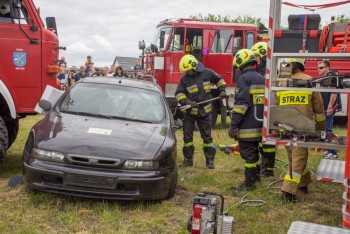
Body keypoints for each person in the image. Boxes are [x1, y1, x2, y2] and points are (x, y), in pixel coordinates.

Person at [276, 58, 325, 203]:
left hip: (284, 128)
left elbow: (275, 107)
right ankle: (288, 191)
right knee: (298, 158)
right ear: (300, 66)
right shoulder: (309, 81)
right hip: (304, 130)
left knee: (295, 157)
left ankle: (303, 184)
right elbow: (319, 111)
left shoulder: (280, 83)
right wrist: (321, 131)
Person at [175, 54, 227, 169]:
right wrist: (188, 101)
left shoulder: (208, 73)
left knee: (207, 138)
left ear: (194, 66)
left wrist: (222, 90)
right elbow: (179, 94)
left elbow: (220, 80)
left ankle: (210, 161)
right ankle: (188, 160)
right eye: (186, 70)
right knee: (187, 138)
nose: (187, 72)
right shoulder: (184, 79)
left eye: (188, 70)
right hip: (189, 113)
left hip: (204, 113)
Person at [228, 49, 265, 191]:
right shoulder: (261, 78)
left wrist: (233, 125)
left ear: (240, 64)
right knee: (255, 151)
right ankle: (256, 177)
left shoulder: (244, 79)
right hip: (259, 123)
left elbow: (241, 105)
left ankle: (249, 183)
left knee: (248, 154)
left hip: (247, 125)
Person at [251, 41, 276, 177]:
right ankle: (265, 165)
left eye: (255, 55)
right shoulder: (261, 68)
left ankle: (268, 168)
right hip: (263, 107)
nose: (254, 59)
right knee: (263, 139)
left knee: (267, 139)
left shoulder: (266, 69)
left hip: (268, 107)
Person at [317, 60, 342, 159]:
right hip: (326, 108)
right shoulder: (324, 78)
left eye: (321, 68)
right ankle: (328, 151)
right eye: (318, 68)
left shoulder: (332, 77)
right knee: (325, 129)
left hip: (329, 108)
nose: (318, 70)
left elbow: (334, 92)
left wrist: (330, 106)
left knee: (328, 130)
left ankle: (333, 152)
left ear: (327, 68)